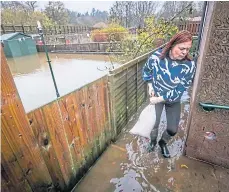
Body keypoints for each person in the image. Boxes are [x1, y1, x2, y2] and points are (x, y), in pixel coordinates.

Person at [142, 30, 196, 158]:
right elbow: (147, 70)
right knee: (153, 124)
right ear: (172, 45)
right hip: (156, 96)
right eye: (182, 48)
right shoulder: (156, 57)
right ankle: (153, 142)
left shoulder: (189, 65)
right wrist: (150, 84)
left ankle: (162, 143)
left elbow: (182, 88)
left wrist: (160, 98)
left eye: (188, 49)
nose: (185, 52)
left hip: (173, 100)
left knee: (173, 129)